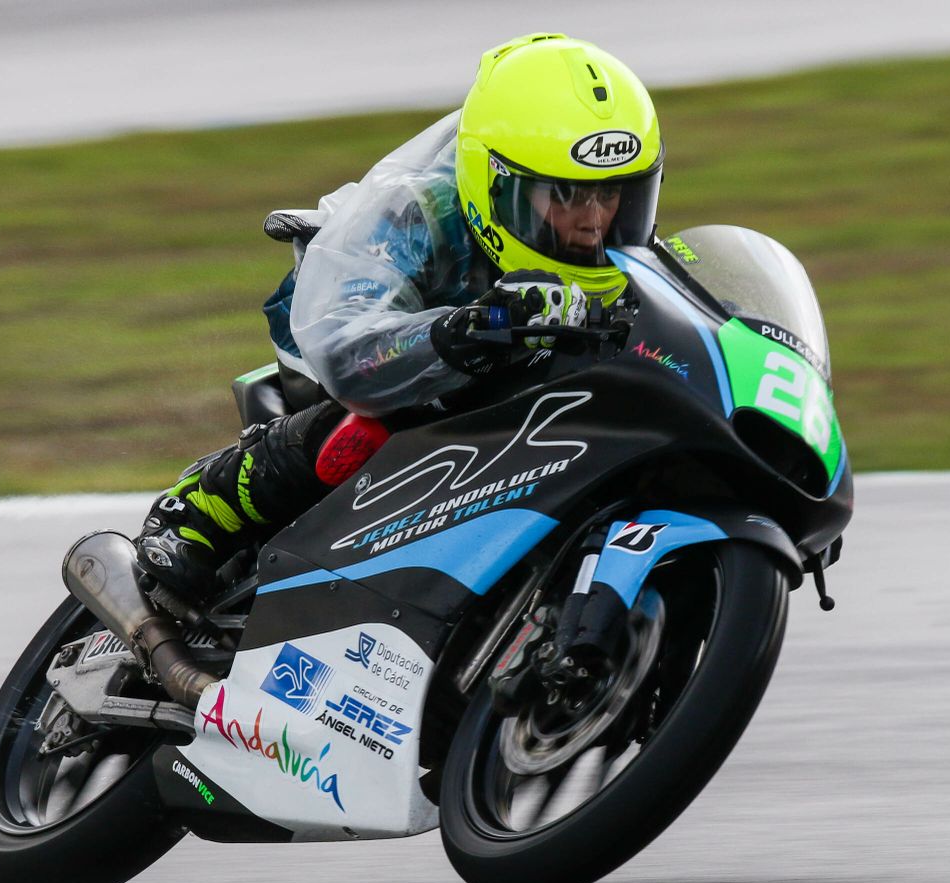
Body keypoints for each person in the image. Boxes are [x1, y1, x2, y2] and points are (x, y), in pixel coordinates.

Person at [134, 32, 664, 600]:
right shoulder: (416, 213)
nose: (593, 223)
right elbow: (348, 355)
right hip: (345, 339)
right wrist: (465, 331)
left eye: (612, 196)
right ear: (496, 183)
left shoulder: (616, 248)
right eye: (564, 199)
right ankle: (202, 506)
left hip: (490, 354)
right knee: (381, 419)